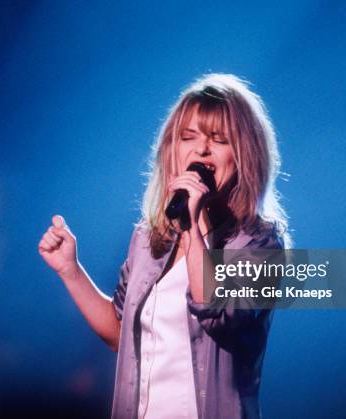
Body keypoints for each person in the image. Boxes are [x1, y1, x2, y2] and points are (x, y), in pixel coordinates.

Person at [38, 74, 291, 419]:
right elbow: (119, 334)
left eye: (218, 139)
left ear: (245, 153)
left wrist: (191, 227)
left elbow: (217, 313)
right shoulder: (149, 240)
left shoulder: (258, 243)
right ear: (173, 151)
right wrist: (71, 270)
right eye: (189, 137)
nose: (201, 149)